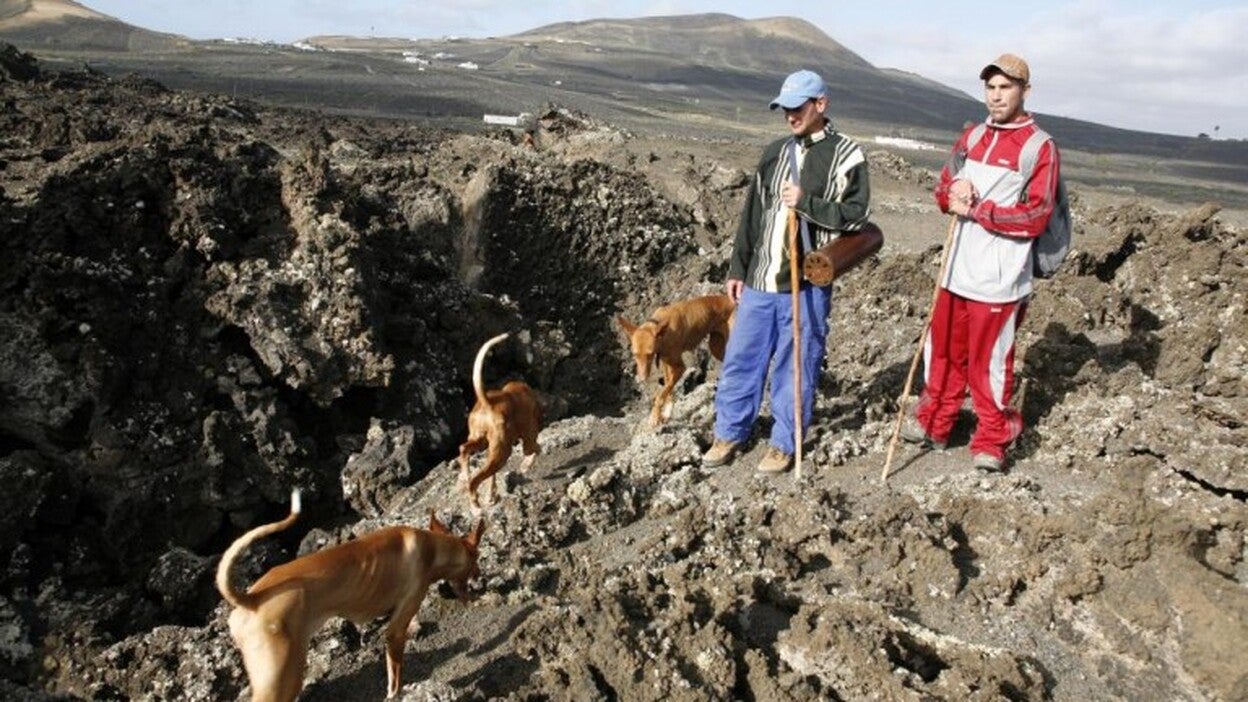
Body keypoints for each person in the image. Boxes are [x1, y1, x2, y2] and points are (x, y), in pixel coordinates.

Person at [702, 69, 871, 474]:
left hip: (806, 283)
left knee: (796, 363)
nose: (790, 116)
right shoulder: (774, 152)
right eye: (785, 109)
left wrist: (807, 202)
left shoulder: (847, 154)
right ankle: (729, 432)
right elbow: (752, 215)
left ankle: (784, 442)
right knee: (742, 359)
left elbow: (858, 216)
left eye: (798, 108)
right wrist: (738, 267)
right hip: (761, 279)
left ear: (821, 105)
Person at [903, 53, 1061, 472]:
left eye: (1005, 87)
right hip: (954, 269)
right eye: (990, 87)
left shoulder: (1038, 147)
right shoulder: (972, 137)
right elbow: (943, 188)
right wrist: (952, 193)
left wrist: (979, 210)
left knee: (989, 363)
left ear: (1025, 91)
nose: (996, 95)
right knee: (942, 353)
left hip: (999, 279)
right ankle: (936, 422)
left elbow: (1037, 214)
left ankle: (992, 438)